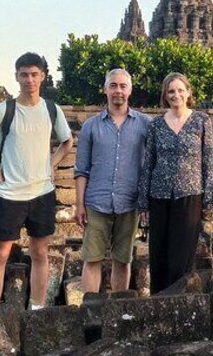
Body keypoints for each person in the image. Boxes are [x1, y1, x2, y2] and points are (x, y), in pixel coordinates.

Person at [0, 52, 73, 308]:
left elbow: (67, 141)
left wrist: (51, 165)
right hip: (10, 193)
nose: (29, 80)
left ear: (42, 76)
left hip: (42, 192)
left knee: (40, 253)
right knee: (0, 254)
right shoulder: (3, 111)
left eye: (34, 74)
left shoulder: (51, 110)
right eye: (24, 75)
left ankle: (37, 308)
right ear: (16, 77)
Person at [138, 72, 213, 294]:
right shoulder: (156, 125)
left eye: (180, 90)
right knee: (159, 255)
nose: (176, 95)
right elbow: (148, 163)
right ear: (165, 95)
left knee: (181, 256)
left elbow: (209, 160)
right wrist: (143, 203)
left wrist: (208, 198)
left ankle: (178, 303)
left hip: (190, 195)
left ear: (188, 92)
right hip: (159, 195)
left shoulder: (201, 121)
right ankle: (158, 303)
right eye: (171, 91)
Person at [74, 68, 151, 293]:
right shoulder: (91, 125)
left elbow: (151, 165)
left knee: (123, 259)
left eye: (123, 86)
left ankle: (119, 311)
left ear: (130, 90)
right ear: (105, 89)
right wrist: (79, 204)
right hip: (96, 202)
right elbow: (81, 169)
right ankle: (90, 313)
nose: (118, 91)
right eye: (113, 86)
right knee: (92, 259)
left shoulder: (145, 124)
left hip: (130, 202)